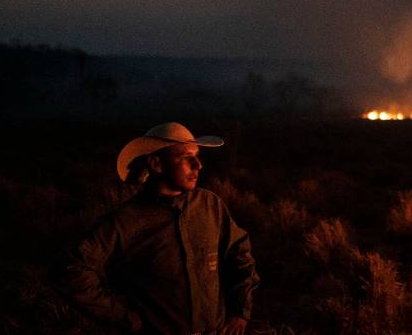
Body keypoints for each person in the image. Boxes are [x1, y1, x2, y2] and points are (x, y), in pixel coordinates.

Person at [55, 122, 259, 334]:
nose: (198, 165)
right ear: (156, 164)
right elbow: (70, 270)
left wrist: (240, 311)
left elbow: (238, 251)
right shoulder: (125, 221)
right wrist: (126, 319)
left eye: (197, 155)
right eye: (185, 157)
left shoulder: (209, 205)